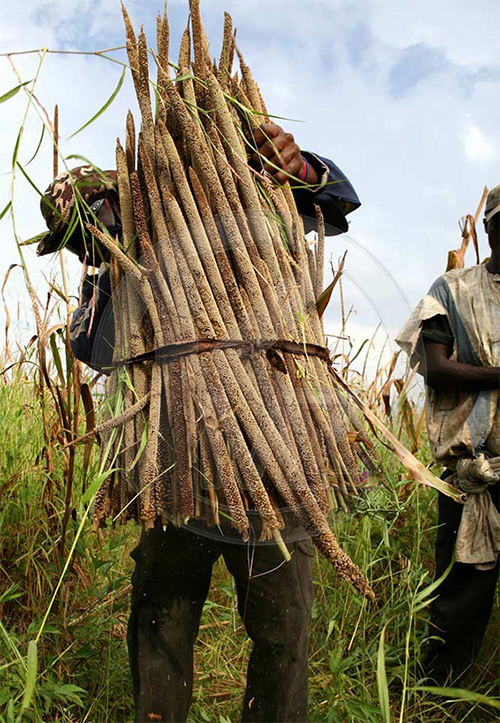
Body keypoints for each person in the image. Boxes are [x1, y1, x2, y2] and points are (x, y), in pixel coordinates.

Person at [36, 124, 361, 722]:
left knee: (282, 631)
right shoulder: (110, 281)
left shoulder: (226, 209)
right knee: (161, 622)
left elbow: (337, 201)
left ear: (115, 205)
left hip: (275, 459)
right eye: (74, 244)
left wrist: (301, 168)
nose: (83, 250)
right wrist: (110, 277)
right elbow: (92, 346)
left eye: (85, 232)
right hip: (175, 471)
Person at [396, 186, 500, 687]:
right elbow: (436, 370)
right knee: (459, 601)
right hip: (474, 476)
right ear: (489, 230)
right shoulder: (453, 290)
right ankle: (440, 700)